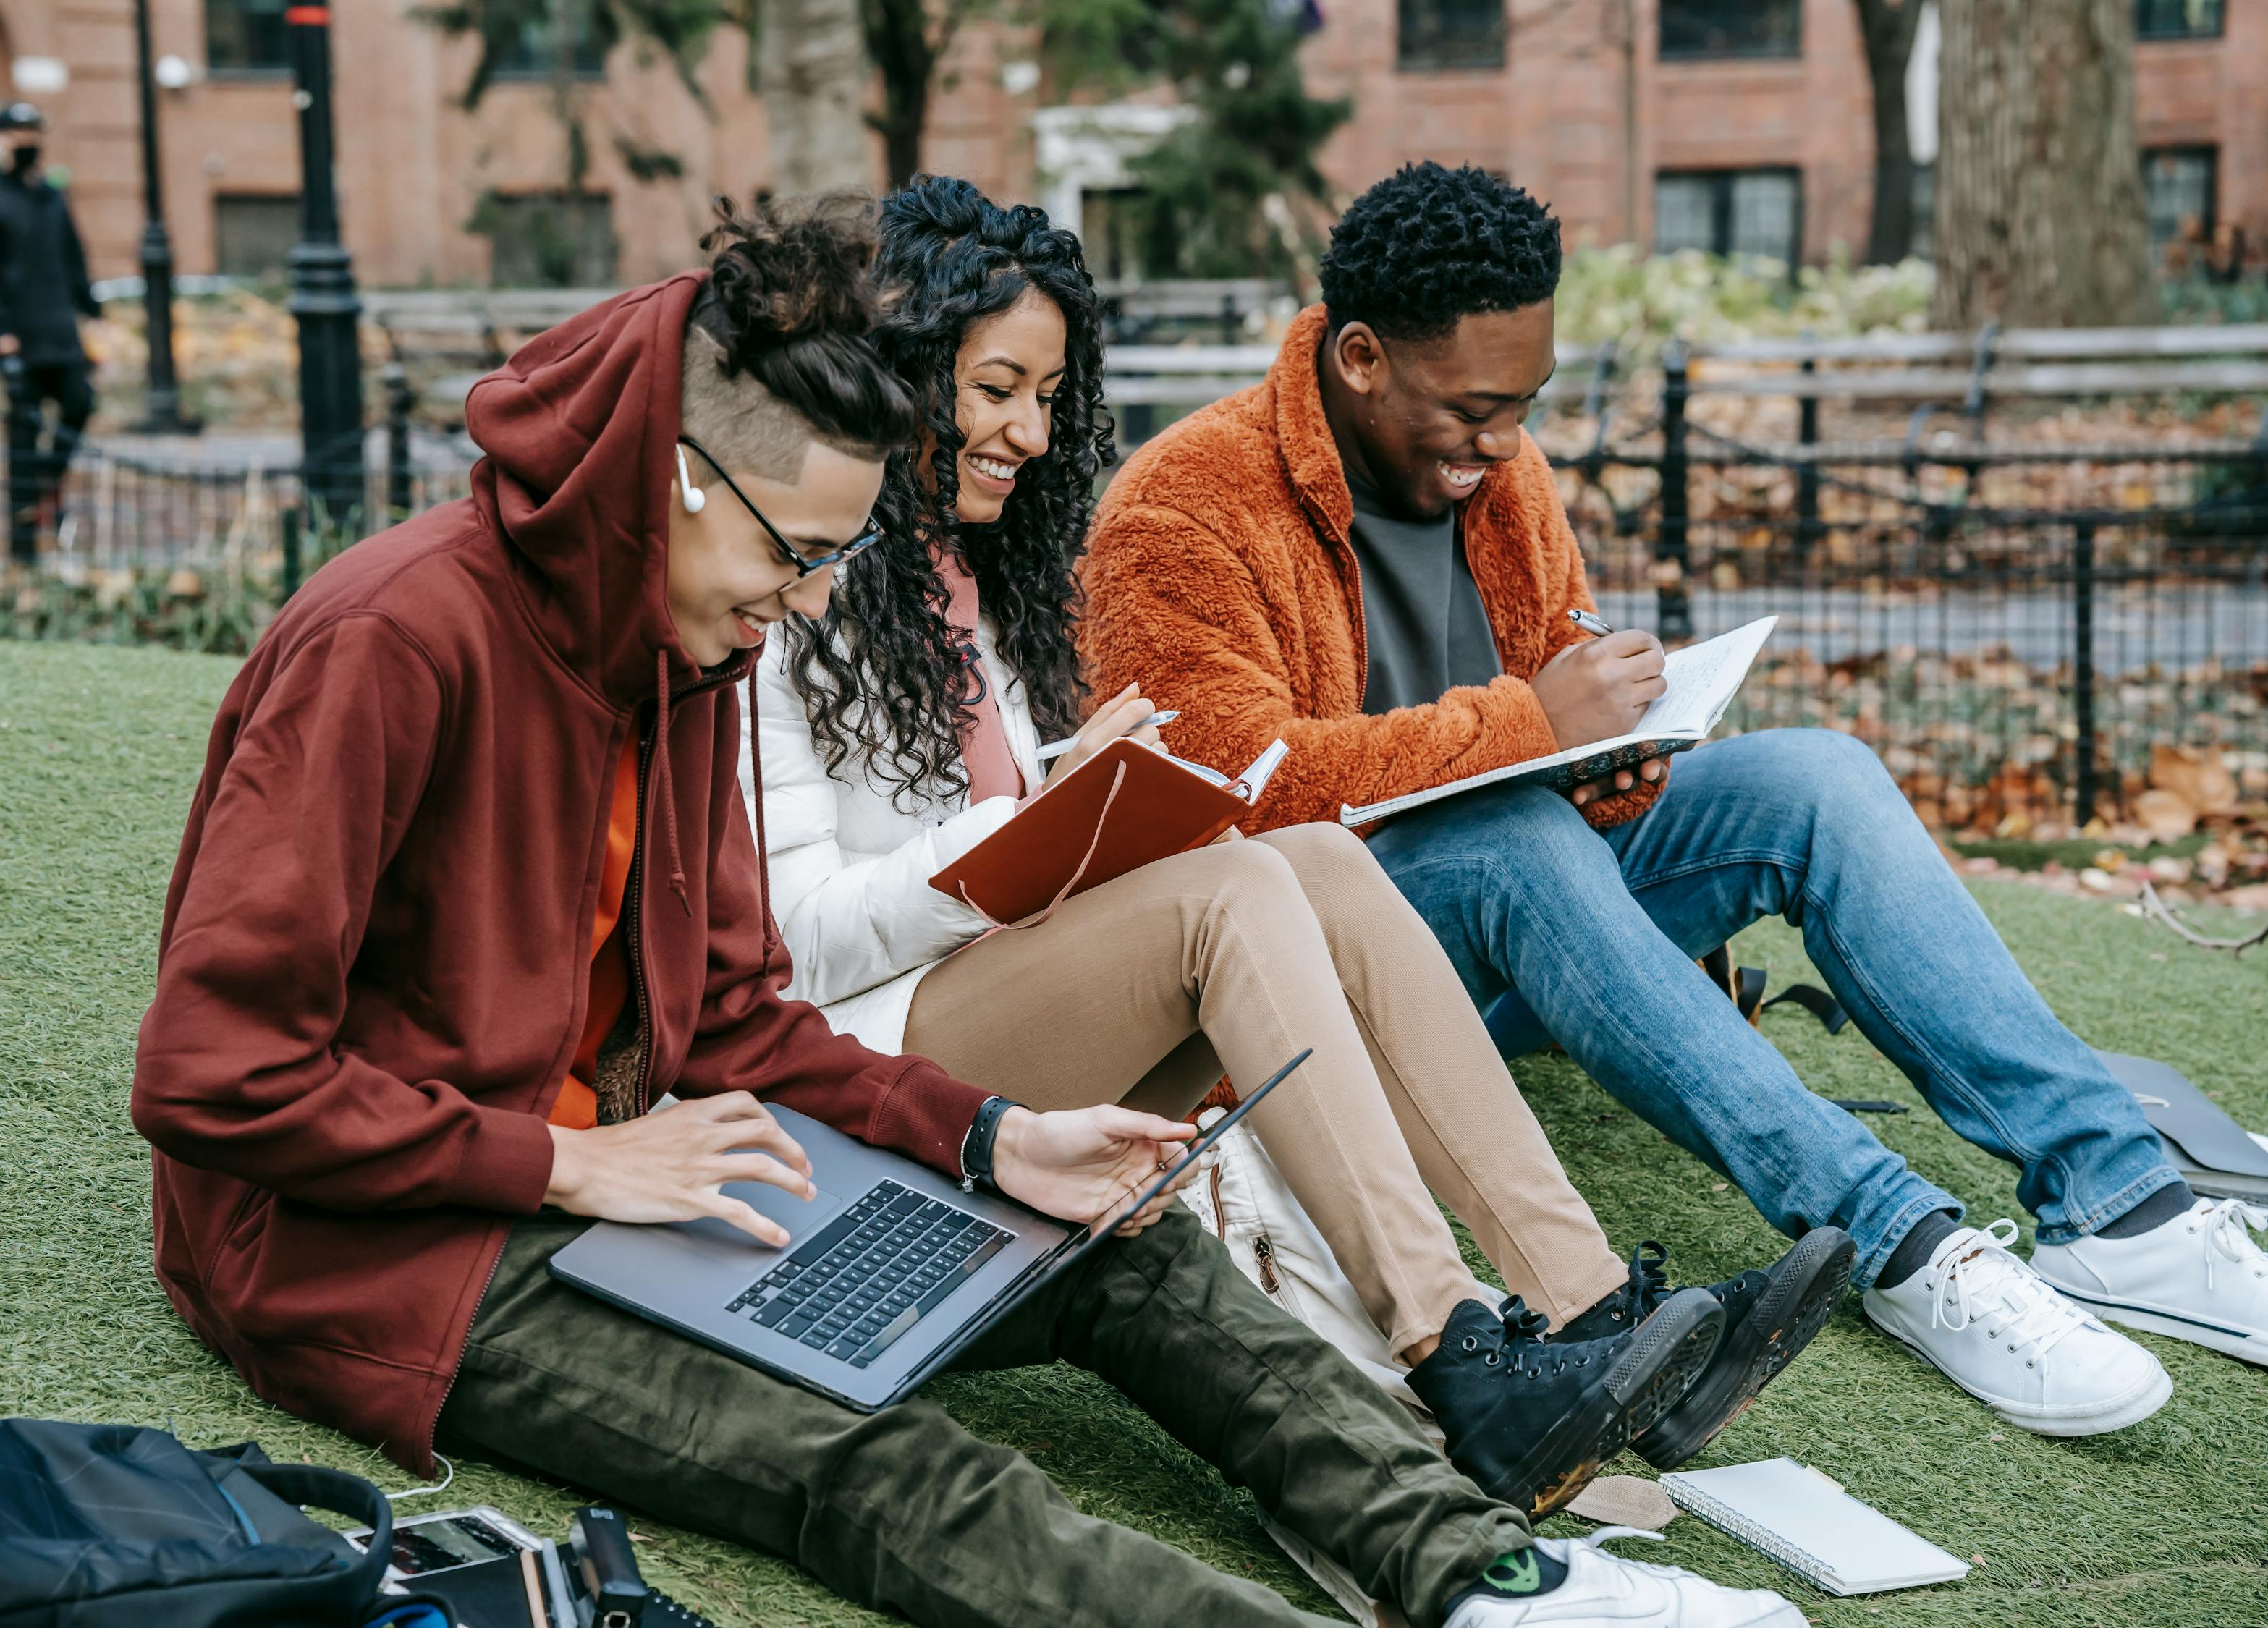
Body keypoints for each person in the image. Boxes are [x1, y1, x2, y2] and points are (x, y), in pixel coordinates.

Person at [129, 193, 1806, 1628]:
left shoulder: (685, 635)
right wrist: (572, 1160)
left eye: (829, 568)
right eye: (789, 556)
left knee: (1115, 1245)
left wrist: (990, 1135)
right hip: (414, 1253)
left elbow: (730, 1017)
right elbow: (211, 1072)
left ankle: (1487, 1579)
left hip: (668, 1160)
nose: (797, 608)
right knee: (864, 1457)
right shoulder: (389, 641)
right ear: (680, 478)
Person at [1079, 161, 2268, 1437]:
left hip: (1532, 899)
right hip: (1332, 969)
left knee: (1817, 777)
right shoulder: (1180, 507)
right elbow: (1219, 806)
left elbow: (1555, 664)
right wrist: (1534, 727)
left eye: (1525, 407)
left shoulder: (1502, 469)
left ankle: (2118, 1207)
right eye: (1474, 409)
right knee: (1505, 835)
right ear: (1361, 357)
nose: (1501, 446)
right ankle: (1903, 1245)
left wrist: (1613, 751)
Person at [745, 176, 1850, 1517]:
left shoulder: (994, 576)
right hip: (870, 1058)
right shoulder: (777, 586)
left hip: (1007, 985)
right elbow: (794, 943)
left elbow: (1013, 828)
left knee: (1314, 862)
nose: (1028, 433)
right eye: (993, 390)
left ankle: (1585, 1309)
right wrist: (1036, 823)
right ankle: (1456, 1351)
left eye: (1047, 397)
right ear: (900, 369)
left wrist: (1084, 804)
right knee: (1231, 890)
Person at [0, 101, 98, 564]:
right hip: (16, 336)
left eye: (34, 132)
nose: (27, 140)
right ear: (1, 138)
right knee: (23, 430)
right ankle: (23, 549)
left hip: (60, 329)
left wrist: (93, 313)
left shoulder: (50, 195)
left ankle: (44, 484)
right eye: (18, 132)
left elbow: (73, 259)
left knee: (80, 402)